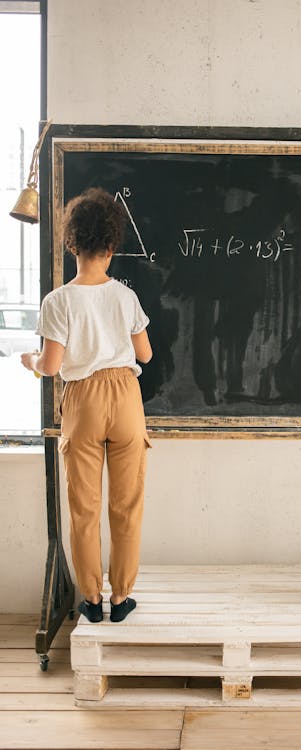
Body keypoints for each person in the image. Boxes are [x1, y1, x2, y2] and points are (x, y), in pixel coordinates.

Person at [21, 187, 153, 624]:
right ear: (112, 247)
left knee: (84, 508)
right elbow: (146, 355)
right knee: (126, 505)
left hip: (83, 400)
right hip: (126, 398)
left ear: (70, 243)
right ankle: (122, 600)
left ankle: (92, 601)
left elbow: (52, 365)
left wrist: (31, 361)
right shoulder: (125, 296)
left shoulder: (58, 301)